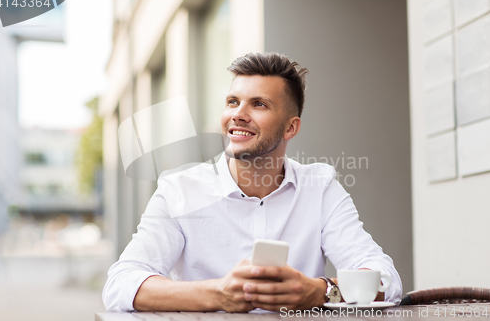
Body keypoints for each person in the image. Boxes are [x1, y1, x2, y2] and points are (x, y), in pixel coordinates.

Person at [102, 52, 402, 312]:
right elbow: (121, 284)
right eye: (233, 102)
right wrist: (217, 293)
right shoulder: (178, 190)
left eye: (258, 104)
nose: (238, 115)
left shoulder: (320, 188)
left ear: (290, 128)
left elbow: (386, 280)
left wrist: (320, 291)